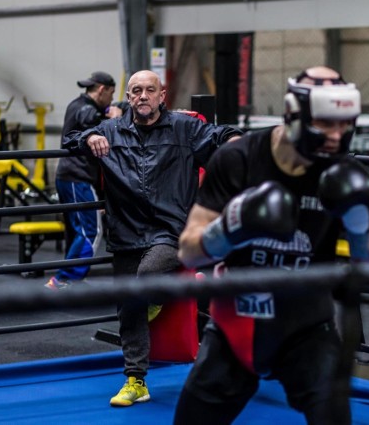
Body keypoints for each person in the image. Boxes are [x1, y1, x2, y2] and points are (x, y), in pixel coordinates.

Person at [173, 66, 369, 425]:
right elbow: (188, 251)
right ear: (294, 116)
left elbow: (367, 266)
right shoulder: (239, 159)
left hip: (308, 326)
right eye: (326, 123)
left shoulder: (345, 173)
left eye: (345, 124)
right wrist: (231, 227)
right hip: (234, 322)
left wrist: (361, 226)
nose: (336, 135)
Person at [62, 69, 242, 407]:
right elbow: (69, 138)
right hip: (126, 232)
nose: (142, 96)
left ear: (162, 96)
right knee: (129, 307)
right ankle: (136, 381)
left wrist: (236, 145)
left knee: (143, 283)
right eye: (135, 91)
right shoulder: (110, 130)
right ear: (128, 98)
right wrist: (88, 139)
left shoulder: (185, 128)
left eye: (150, 90)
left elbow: (221, 135)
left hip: (172, 229)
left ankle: (153, 296)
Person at [45, 71, 123, 290]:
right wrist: (113, 116)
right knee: (91, 230)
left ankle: (70, 278)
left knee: (76, 230)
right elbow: (89, 118)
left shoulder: (79, 103)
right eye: (111, 94)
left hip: (69, 176)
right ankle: (64, 279)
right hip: (76, 177)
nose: (110, 98)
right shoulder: (83, 107)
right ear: (102, 90)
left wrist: (117, 109)